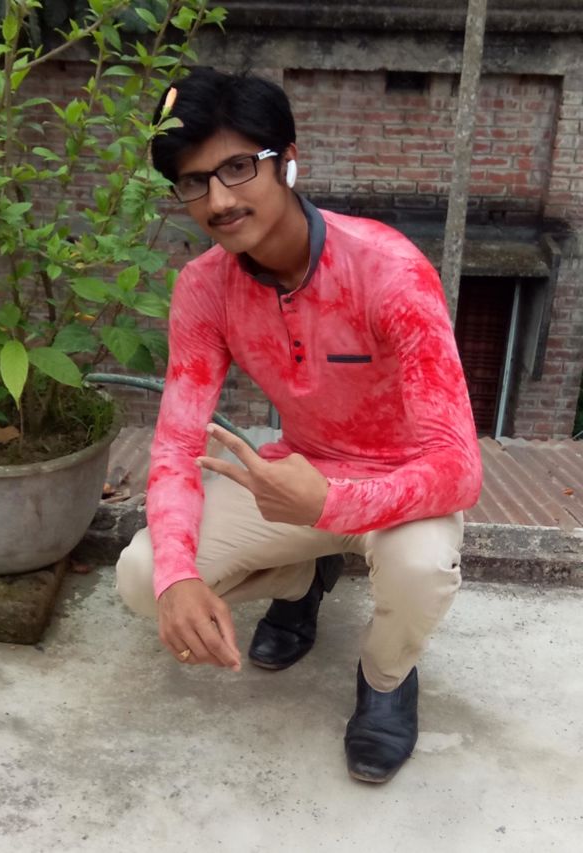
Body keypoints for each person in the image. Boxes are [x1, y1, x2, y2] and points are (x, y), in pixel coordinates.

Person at [116, 68, 482, 784]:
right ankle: (299, 581)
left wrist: (334, 504)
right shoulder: (204, 289)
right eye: (194, 182)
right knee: (142, 575)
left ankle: (385, 678)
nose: (219, 200)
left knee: (419, 569)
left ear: (287, 160)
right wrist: (179, 576)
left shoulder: (388, 269)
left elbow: (459, 468)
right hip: (301, 472)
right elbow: (177, 442)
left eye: (237, 168)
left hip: (405, 486)